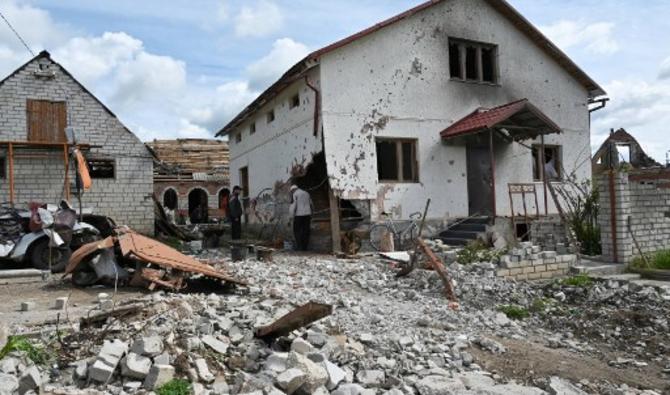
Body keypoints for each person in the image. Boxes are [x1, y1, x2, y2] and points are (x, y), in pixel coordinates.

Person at [289, 184, 313, 251]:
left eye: (291, 191)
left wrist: (291, 216)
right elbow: (311, 204)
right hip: (307, 215)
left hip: (299, 215)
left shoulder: (295, 194)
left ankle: (299, 246)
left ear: (293, 190)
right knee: (306, 231)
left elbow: (293, 206)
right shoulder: (307, 193)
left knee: (296, 231)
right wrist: (312, 213)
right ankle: (305, 247)